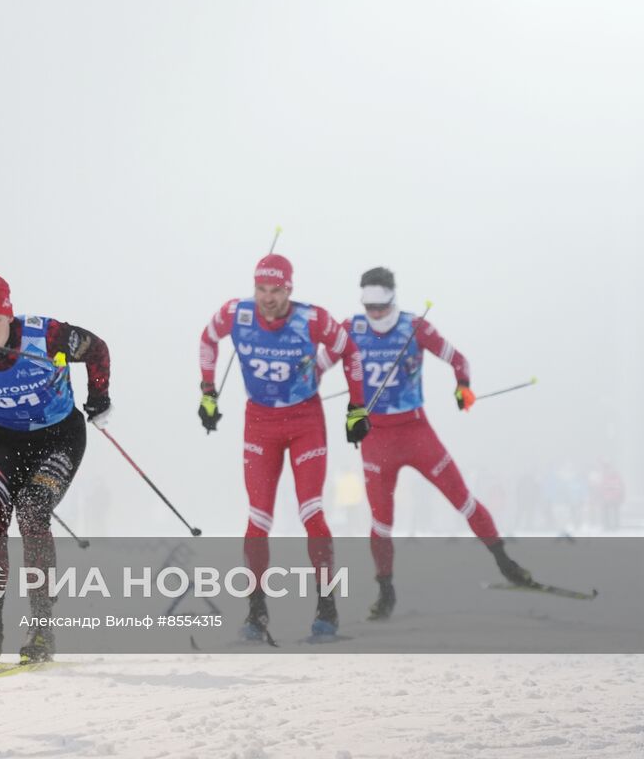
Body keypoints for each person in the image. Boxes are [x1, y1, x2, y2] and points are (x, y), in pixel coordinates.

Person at [325, 267, 531, 620]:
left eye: (381, 306)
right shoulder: (351, 328)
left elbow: (458, 359)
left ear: (393, 298)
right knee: (381, 522)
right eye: (369, 306)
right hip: (376, 438)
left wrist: (462, 386)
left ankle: (506, 562)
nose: (375, 314)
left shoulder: (415, 327)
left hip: (416, 434)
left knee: (462, 500)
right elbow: (317, 365)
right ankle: (385, 592)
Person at [0, 273, 111, 663]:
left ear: (9, 316)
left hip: (59, 436)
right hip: (5, 438)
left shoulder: (45, 337)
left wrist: (98, 397)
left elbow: (97, 349)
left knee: (32, 511)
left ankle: (42, 627)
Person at [197, 255, 368, 640]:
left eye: (276, 290)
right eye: (261, 289)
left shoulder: (311, 319)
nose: (268, 299)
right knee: (258, 518)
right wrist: (208, 392)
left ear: (290, 289)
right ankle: (256, 613)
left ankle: (327, 608)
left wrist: (357, 407)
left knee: (312, 512)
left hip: (305, 421)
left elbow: (350, 350)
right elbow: (207, 339)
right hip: (259, 424)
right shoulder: (235, 314)